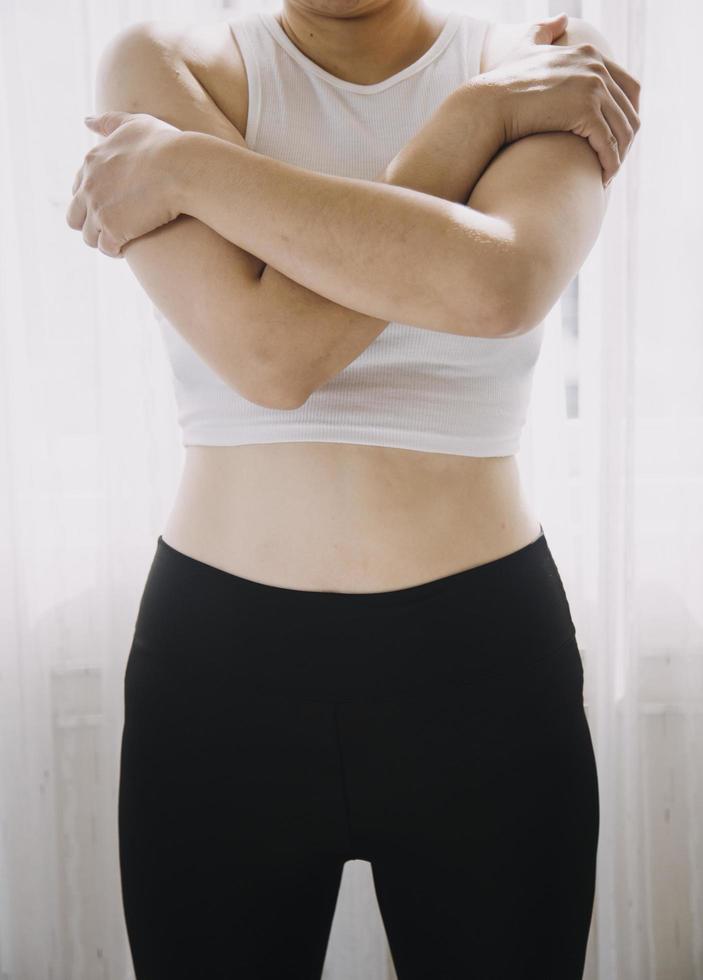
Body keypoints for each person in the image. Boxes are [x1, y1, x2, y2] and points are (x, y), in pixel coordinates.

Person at [66, 2, 640, 977]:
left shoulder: (542, 63)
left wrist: (187, 168)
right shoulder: (160, 64)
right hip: (219, 680)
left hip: (482, 674)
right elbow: (268, 352)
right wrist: (470, 126)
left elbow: (497, 285)